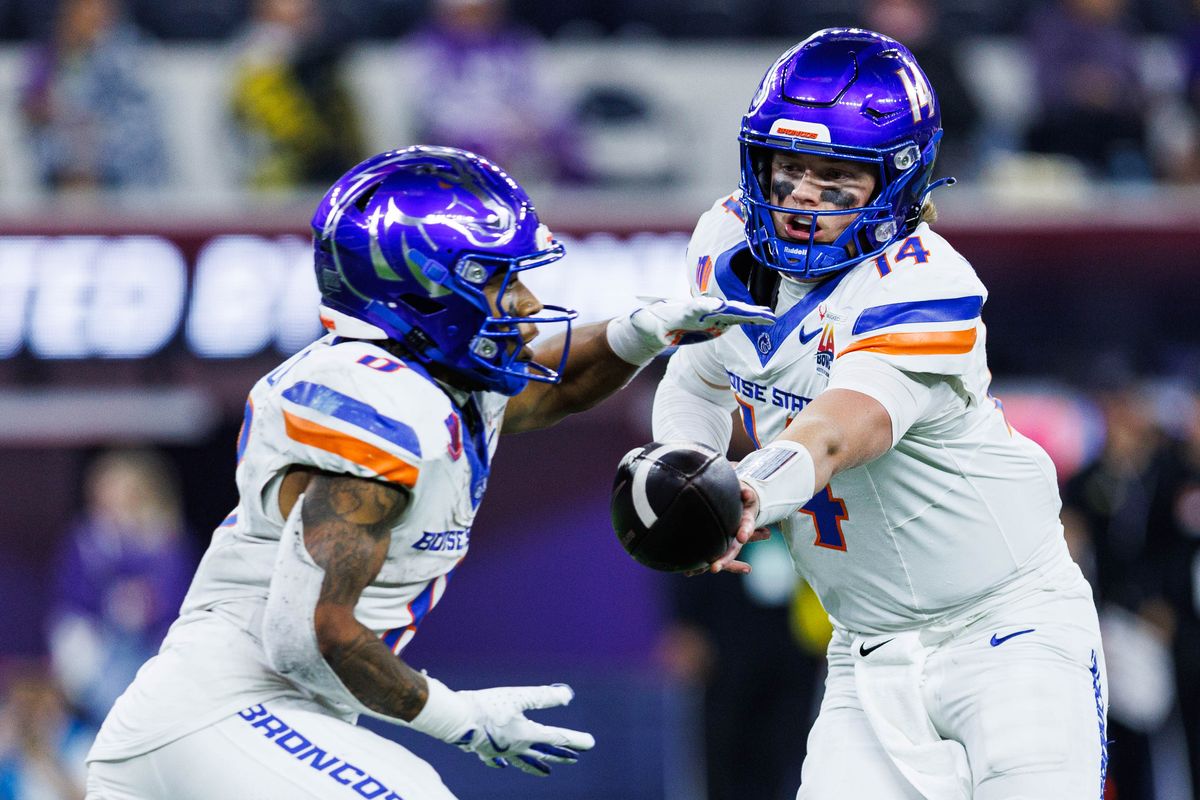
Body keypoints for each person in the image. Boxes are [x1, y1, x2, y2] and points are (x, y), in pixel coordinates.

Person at [84, 145, 772, 799]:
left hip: (251, 726)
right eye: (498, 279)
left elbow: (553, 387)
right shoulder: (379, 409)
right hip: (219, 714)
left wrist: (646, 329)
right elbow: (301, 636)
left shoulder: (438, 384)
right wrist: (457, 719)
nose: (528, 300)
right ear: (421, 291)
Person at [651, 29, 1109, 798]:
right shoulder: (725, 237)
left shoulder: (925, 282)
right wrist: (682, 471)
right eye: (787, 166)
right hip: (867, 649)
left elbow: (837, 429)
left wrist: (750, 493)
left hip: (1006, 632)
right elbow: (698, 377)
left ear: (895, 183)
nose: (799, 196)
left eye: (833, 176)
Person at [47, 448, 197, 728]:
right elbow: (72, 602)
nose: (113, 504)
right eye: (106, 496)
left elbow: (182, 602)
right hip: (99, 644)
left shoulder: (167, 540)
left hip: (154, 645)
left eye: (124, 495)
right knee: (99, 686)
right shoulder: (88, 539)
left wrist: (149, 608)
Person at [18, 0, 167, 190]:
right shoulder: (47, 56)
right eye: (84, 8)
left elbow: (140, 123)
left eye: (99, 7)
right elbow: (34, 112)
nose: (92, 15)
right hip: (62, 173)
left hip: (122, 174)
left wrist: (96, 161)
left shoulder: (131, 56)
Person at [229, 0, 365, 189]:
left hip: (331, 172)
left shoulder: (319, 51)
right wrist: (318, 148)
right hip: (282, 179)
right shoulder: (259, 57)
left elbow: (346, 118)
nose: (305, 5)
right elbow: (278, 122)